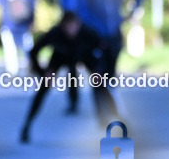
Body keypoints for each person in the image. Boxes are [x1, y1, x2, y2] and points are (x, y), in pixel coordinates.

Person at [19, 12, 118, 143]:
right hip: (60, 57)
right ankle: (27, 126)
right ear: (62, 26)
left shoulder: (87, 33)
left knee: (100, 84)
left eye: (74, 26)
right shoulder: (55, 33)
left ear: (79, 25)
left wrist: (103, 71)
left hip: (84, 56)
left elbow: (106, 50)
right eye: (68, 27)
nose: (71, 30)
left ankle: (115, 117)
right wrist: (43, 72)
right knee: (43, 89)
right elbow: (34, 51)